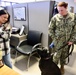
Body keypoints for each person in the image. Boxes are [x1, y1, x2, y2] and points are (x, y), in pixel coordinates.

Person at [48, 2, 76, 74]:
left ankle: (62, 67)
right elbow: (50, 29)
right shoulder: (55, 17)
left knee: (64, 56)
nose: (60, 12)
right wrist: (54, 39)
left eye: (62, 10)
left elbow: (75, 30)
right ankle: (54, 69)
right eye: (58, 10)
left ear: (66, 8)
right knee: (55, 57)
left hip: (67, 42)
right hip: (57, 42)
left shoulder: (73, 17)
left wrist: (72, 40)